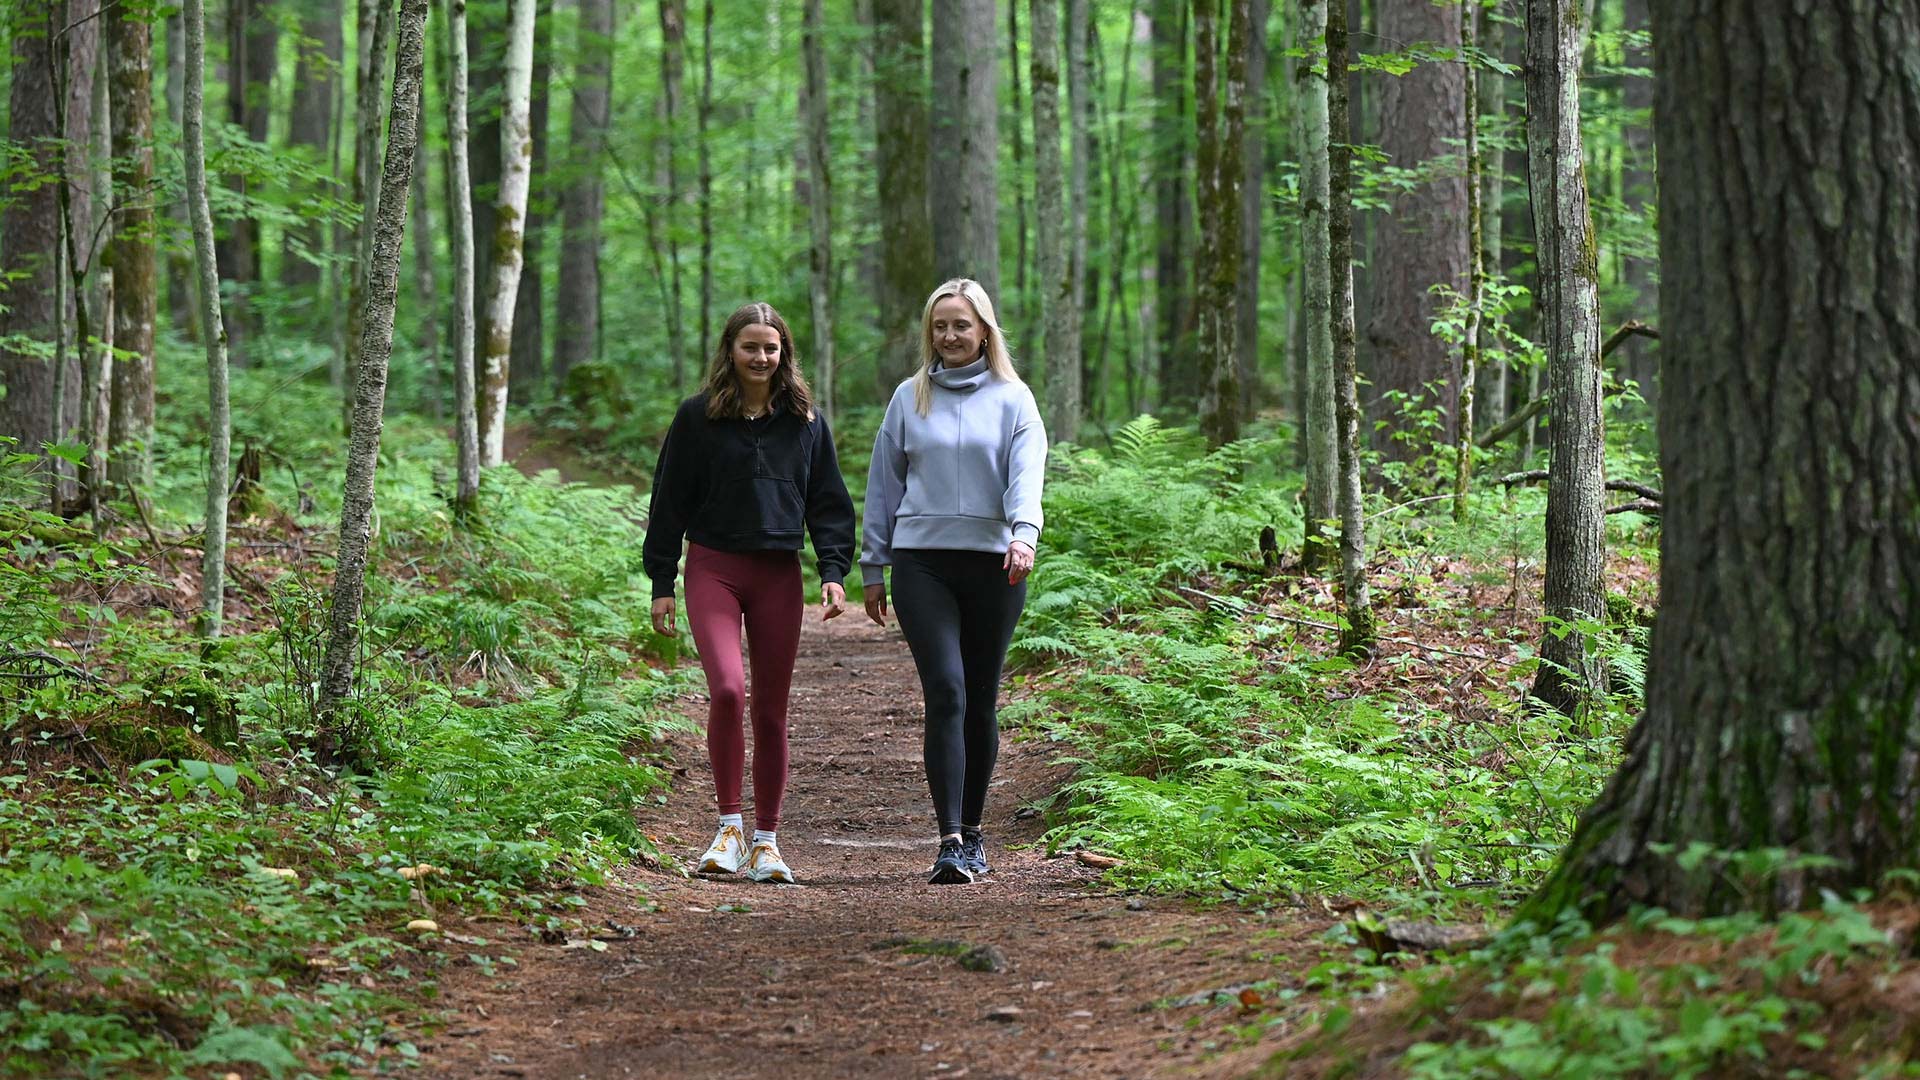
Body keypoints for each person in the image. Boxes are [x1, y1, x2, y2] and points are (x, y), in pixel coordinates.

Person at [644, 302, 855, 885]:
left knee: (770, 709)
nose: (761, 357)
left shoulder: (805, 422)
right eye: (750, 347)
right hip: (712, 566)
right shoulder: (697, 418)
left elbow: (828, 502)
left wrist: (833, 570)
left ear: (784, 353)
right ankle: (728, 830)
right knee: (729, 691)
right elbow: (669, 501)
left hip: (778, 573)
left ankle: (767, 841)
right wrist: (662, 579)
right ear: (729, 351)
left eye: (771, 348)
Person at [861, 278, 1047, 885]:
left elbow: (1027, 473)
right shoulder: (908, 397)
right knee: (946, 689)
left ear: (984, 331)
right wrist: (873, 563)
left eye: (961, 325)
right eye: (940, 326)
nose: (949, 336)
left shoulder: (1014, 398)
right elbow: (883, 485)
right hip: (923, 561)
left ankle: (973, 832)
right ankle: (947, 841)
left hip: (997, 562)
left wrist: (1024, 532)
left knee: (982, 696)